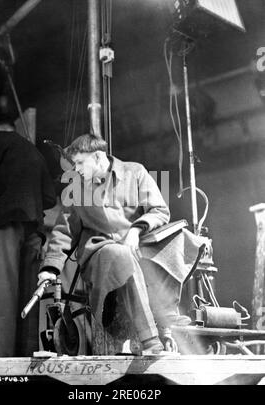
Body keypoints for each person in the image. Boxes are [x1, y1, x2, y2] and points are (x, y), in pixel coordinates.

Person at [38, 134, 204, 354]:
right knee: (120, 255)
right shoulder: (76, 188)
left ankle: (165, 314)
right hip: (100, 251)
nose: (75, 169)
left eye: (79, 163)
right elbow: (64, 230)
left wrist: (136, 230)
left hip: (137, 244)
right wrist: (50, 268)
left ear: (97, 157)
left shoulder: (135, 172)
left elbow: (160, 211)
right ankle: (151, 341)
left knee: (182, 241)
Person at [0, 113, 56, 357]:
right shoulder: (35, 152)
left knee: (0, 297)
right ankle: (24, 359)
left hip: (5, 223)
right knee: (27, 301)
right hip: (33, 231)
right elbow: (50, 198)